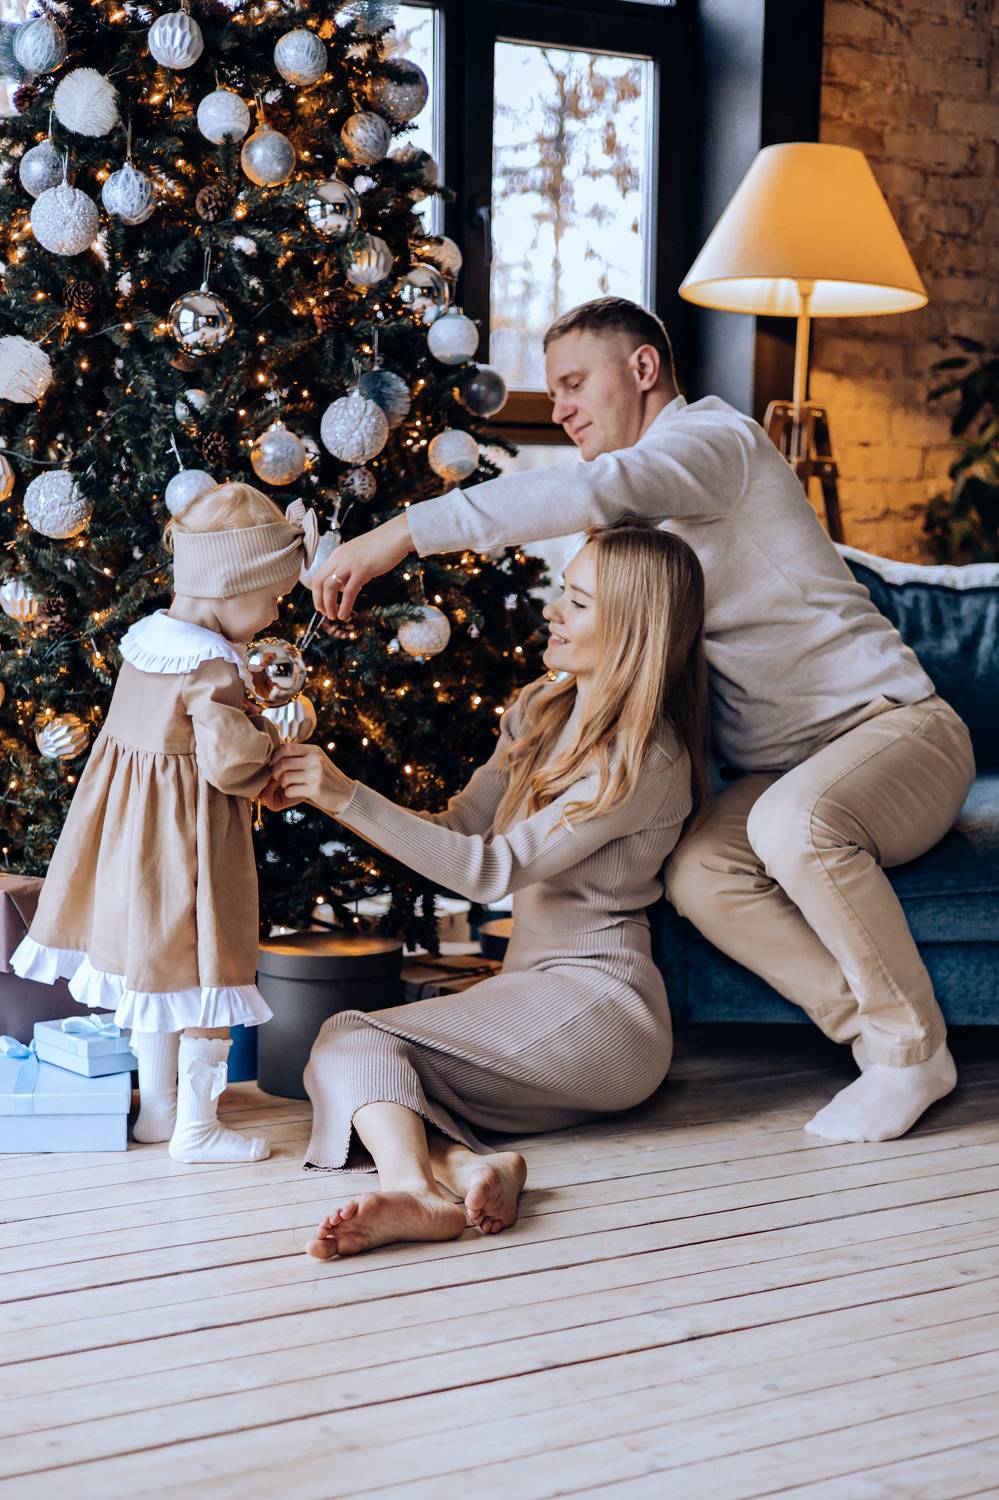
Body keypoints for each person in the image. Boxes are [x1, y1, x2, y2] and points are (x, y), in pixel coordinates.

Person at [308, 295, 976, 1147]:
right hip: (781, 770)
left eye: (573, 383)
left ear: (644, 368)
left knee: (793, 825)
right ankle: (872, 1037)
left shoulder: (717, 444)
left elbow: (592, 485)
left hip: (895, 731)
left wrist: (401, 534)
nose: (560, 409)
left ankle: (912, 1052)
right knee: (702, 873)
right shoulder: (640, 513)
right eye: (552, 392)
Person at [263, 521, 707, 1258]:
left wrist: (343, 796)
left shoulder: (645, 759)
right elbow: (460, 829)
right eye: (562, 592)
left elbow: (489, 870)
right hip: (530, 992)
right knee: (358, 1058)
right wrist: (328, 798)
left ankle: (413, 1190)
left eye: (578, 603)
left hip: (603, 1008)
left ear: (634, 629)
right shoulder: (542, 708)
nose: (552, 610)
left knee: (352, 1038)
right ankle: (470, 1170)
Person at [13, 482, 318, 1164]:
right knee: (210, 975)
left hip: (132, 843)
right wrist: (271, 743)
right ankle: (197, 1129)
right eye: (272, 597)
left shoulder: (148, 645)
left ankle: (158, 1110)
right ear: (231, 587)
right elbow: (229, 762)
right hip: (192, 844)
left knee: (157, 977)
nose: (276, 612)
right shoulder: (209, 666)